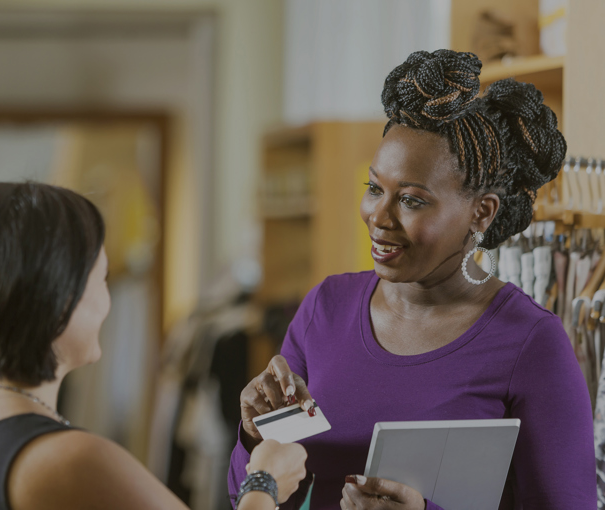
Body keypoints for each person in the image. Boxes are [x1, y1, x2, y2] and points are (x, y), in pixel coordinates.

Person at [229, 50, 596, 509]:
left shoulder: (530, 343)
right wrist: (257, 432)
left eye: (412, 200)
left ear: (481, 212)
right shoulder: (326, 309)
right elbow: (270, 493)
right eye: (374, 189)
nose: (378, 217)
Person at [0, 182, 307, 510]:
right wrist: (264, 481)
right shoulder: (73, 460)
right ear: (57, 300)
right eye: (101, 279)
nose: (108, 301)